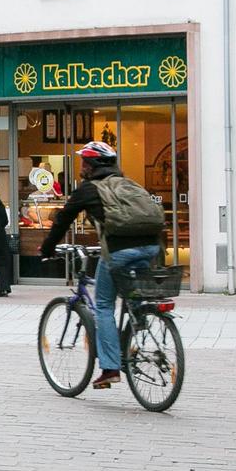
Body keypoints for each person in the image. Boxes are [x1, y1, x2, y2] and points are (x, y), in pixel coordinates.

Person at [40, 141, 165, 390]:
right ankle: (136, 328)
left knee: (105, 305)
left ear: (92, 165)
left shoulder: (89, 189)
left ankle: (110, 368)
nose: (81, 166)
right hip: (151, 246)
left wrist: (47, 248)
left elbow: (63, 219)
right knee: (132, 296)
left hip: (119, 250)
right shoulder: (129, 183)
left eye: (84, 162)